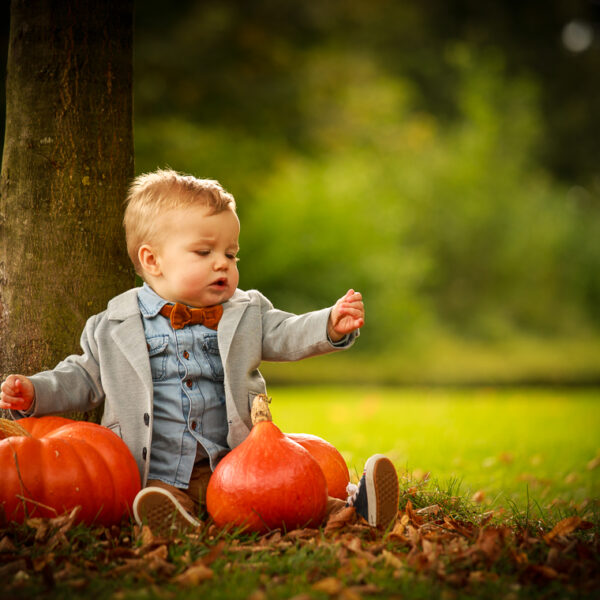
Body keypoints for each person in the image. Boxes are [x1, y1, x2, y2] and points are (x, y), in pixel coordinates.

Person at [0, 168, 399, 535]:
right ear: (152, 260)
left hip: (234, 464)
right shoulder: (114, 325)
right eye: (204, 253)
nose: (222, 264)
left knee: (284, 497)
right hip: (155, 469)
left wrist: (328, 323)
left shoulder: (246, 311)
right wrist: (35, 393)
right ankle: (177, 523)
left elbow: (286, 332)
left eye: (231, 253)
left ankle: (354, 508)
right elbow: (83, 377)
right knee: (157, 501)